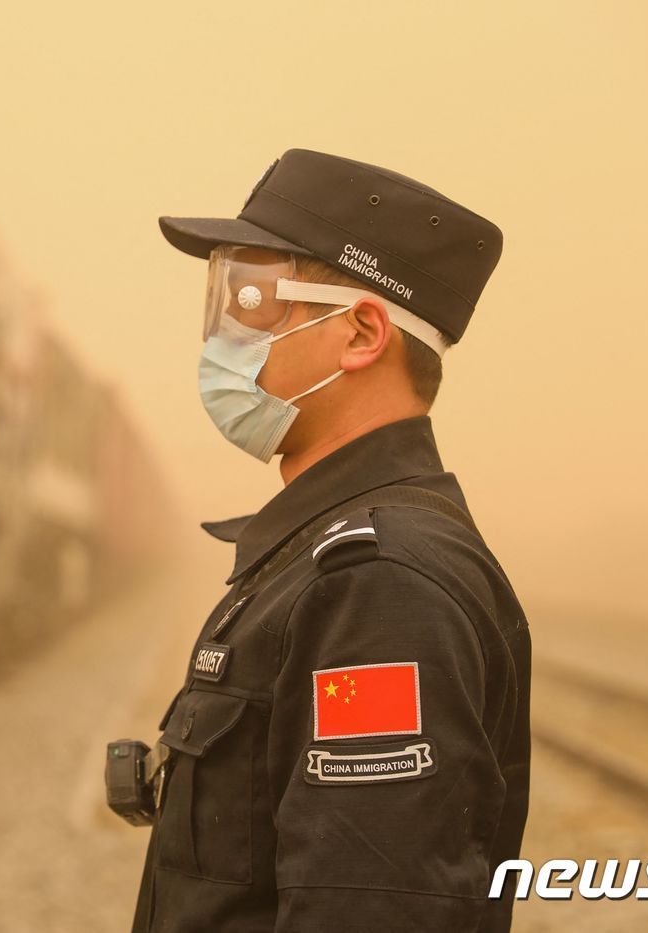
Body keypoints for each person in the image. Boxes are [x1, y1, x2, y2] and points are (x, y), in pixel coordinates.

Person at [128, 149, 531, 932]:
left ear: (361, 333)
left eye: (251, 297)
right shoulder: (318, 555)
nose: (223, 336)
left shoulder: (381, 587)